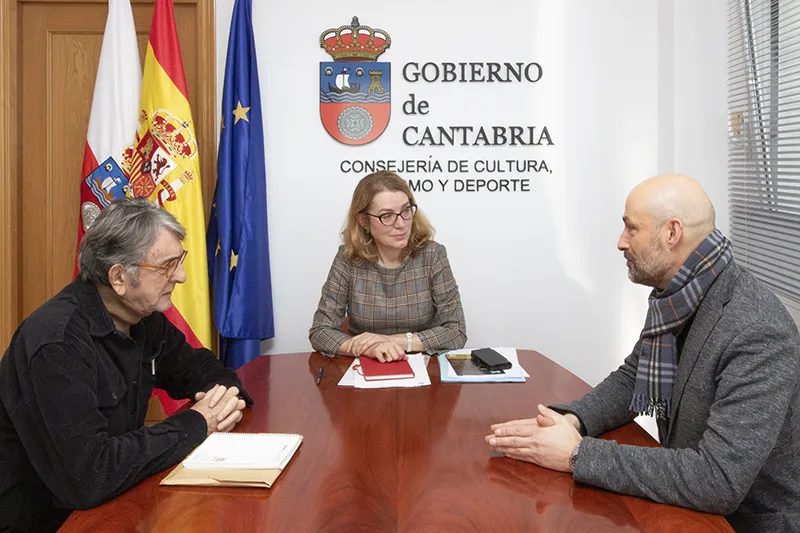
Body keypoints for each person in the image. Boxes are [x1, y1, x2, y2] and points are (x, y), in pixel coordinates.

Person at [486, 174, 800, 533]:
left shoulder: (756, 329)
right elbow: (633, 379)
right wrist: (572, 421)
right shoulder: (681, 297)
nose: (621, 242)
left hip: (747, 524)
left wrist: (576, 454)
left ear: (672, 233)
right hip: (691, 512)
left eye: (631, 228)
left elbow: (718, 479)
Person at [0, 198, 251, 533]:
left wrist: (222, 402)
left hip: (117, 504)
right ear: (118, 277)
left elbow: (201, 369)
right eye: (167, 266)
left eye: (180, 261)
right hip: (46, 521)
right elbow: (90, 475)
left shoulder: (143, 317)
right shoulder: (57, 343)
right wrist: (198, 423)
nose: (181, 276)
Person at [309, 171, 467, 361]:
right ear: (363, 220)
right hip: (364, 366)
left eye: (406, 210)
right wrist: (369, 348)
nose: (401, 224)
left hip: (422, 368)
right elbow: (320, 331)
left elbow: (456, 331)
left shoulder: (432, 255)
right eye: (387, 216)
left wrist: (391, 342)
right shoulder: (347, 259)